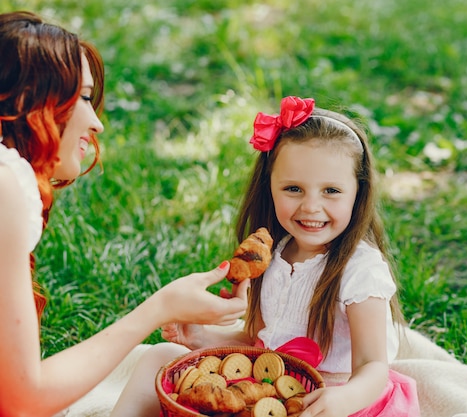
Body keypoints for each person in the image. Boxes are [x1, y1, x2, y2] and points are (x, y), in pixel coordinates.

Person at [0, 11, 249, 417]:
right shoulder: (5, 183)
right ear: (28, 99)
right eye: (80, 96)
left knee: (160, 360)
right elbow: (21, 400)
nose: (95, 122)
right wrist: (160, 307)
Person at [162, 96, 420, 416]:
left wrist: (343, 399)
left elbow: (372, 365)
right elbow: (257, 340)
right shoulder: (270, 255)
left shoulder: (360, 270)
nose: (311, 206)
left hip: (339, 399)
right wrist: (201, 336)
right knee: (156, 357)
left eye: (331, 191)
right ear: (269, 186)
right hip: (271, 389)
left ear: (358, 192)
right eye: (294, 189)